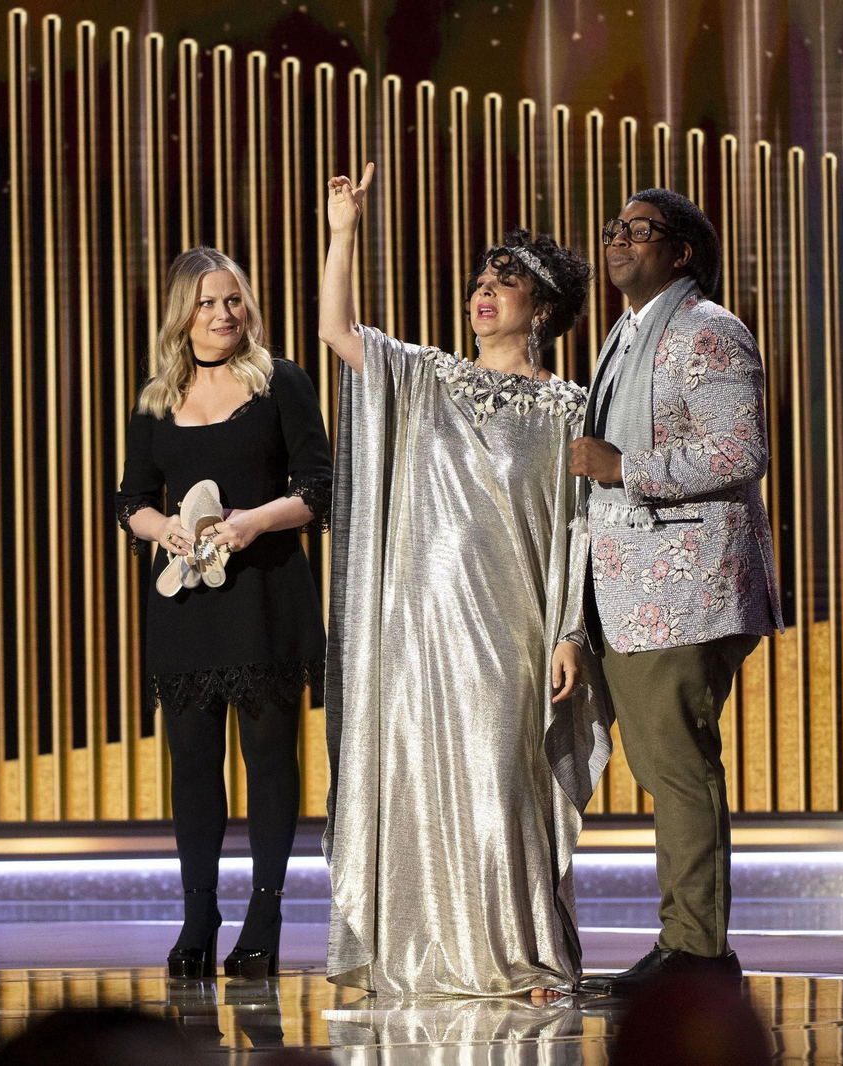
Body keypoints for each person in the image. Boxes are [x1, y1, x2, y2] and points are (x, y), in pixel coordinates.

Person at [318, 163, 613, 998]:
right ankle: (420, 949)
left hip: (511, 625)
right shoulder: (427, 377)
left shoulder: (570, 407)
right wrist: (344, 230)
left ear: (543, 307)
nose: (485, 292)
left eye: (506, 282)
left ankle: (516, 954)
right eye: (482, 279)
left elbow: (580, 527)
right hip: (421, 627)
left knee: (498, 778)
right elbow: (340, 330)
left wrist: (568, 632)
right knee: (420, 776)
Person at [566, 190, 783, 997]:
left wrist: (623, 467)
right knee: (669, 765)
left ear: (682, 251)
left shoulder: (708, 331)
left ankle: (697, 953)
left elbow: (742, 450)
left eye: (638, 229)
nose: (618, 239)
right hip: (636, 589)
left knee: (678, 767)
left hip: (685, 586)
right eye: (613, 227)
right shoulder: (629, 332)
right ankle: (690, 945)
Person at [115, 247, 332, 980]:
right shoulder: (154, 398)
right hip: (186, 604)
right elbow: (130, 501)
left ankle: (265, 914)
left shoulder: (281, 382)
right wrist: (163, 528)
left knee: (270, 758)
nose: (224, 315)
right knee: (193, 764)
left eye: (234, 300)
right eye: (208, 303)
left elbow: (320, 488)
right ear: (183, 313)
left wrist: (253, 522)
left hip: (266, 595)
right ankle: (199, 913)